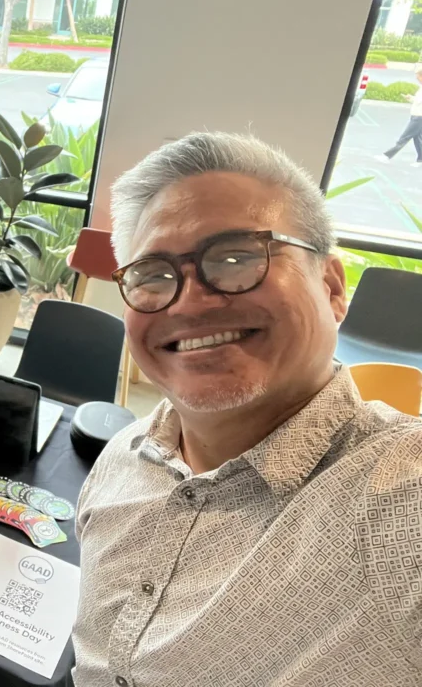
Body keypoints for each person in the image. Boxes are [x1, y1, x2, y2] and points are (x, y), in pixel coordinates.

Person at [72, 132, 422, 686]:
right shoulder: (122, 458)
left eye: (236, 257)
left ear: (332, 286)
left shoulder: (399, 497)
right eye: (154, 275)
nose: (189, 301)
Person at [375, 67, 422, 166]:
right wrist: (410, 98)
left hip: (418, 118)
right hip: (416, 116)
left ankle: (387, 156)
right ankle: (420, 160)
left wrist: (413, 99)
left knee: (404, 137)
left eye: (418, 76)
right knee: (418, 139)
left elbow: (419, 101)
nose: (416, 78)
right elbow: (418, 101)